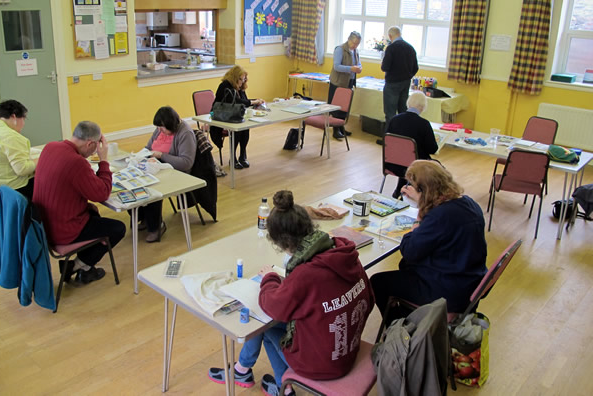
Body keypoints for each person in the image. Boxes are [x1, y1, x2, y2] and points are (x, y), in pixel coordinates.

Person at [208, 191, 374, 396]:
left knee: (265, 327)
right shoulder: (344, 254)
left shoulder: (306, 274)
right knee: (276, 324)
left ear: (284, 245)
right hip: (349, 347)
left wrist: (270, 277)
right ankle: (252, 374)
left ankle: (272, 383)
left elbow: (274, 307)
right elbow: (369, 301)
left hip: (323, 364)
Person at [370, 160, 487, 318]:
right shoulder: (469, 203)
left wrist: (420, 214)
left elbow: (409, 251)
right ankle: (410, 317)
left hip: (448, 291)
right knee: (405, 268)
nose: (407, 188)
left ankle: (399, 329)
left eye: (411, 184)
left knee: (378, 282)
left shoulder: (440, 216)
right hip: (469, 282)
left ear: (424, 190)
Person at [33, 121, 126, 284]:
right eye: (94, 149)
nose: (92, 154)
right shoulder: (77, 162)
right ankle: (77, 265)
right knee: (118, 229)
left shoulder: (51, 147)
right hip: (63, 230)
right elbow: (102, 193)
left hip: (43, 223)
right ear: (90, 143)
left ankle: (85, 268)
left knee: (93, 214)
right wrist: (103, 160)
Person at [139, 106, 196, 242]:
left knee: (154, 186)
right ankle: (144, 217)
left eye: (162, 128)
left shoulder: (185, 133)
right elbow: (148, 148)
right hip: (157, 165)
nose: (159, 131)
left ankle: (156, 226)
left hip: (176, 171)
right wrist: (140, 157)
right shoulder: (160, 129)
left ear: (171, 124)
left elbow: (186, 163)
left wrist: (161, 155)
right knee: (136, 180)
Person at [383, 91, 439, 198]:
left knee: (405, 156)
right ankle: (426, 196)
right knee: (436, 166)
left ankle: (399, 190)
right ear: (422, 107)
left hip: (392, 163)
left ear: (408, 104)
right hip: (414, 167)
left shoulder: (394, 119)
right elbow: (432, 149)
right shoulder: (424, 124)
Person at [210, 65, 263, 169]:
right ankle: (233, 157)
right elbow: (235, 102)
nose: (242, 82)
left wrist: (256, 101)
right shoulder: (225, 86)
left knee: (245, 128)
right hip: (221, 116)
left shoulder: (240, 87)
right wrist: (253, 102)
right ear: (235, 77)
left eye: (244, 79)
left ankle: (242, 155)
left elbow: (244, 101)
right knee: (237, 129)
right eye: (241, 79)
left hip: (233, 116)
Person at [381, 26, 418, 128]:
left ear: (390, 36)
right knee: (403, 111)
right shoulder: (410, 48)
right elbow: (415, 68)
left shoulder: (391, 48)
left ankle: (389, 139)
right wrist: (408, 76)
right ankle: (403, 138)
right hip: (406, 83)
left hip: (392, 84)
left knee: (390, 113)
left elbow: (385, 67)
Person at [328, 31, 362, 140]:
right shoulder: (340, 49)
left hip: (349, 81)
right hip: (339, 82)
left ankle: (341, 127)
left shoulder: (355, 51)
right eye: (354, 43)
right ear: (349, 39)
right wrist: (350, 69)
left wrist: (359, 68)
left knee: (345, 106)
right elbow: (337, 66)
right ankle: (335, 129)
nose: (355, 45)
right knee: (336, 106)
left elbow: (358, 63)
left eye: (357, 44)